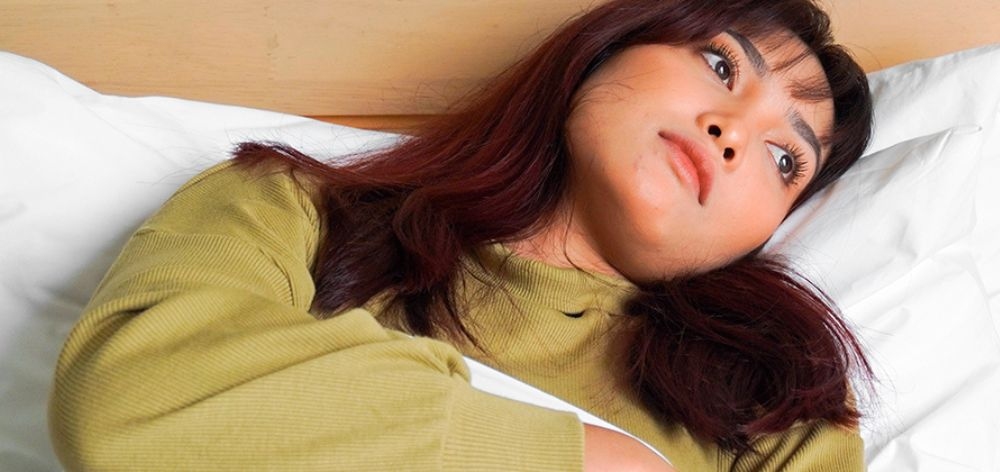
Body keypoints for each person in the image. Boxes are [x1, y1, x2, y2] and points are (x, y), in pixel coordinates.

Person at [48, 0, 874, 470]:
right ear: (604, 50)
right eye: (722, 67)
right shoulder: (286, 210)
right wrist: (582, 459)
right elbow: (124, 402)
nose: (734, 133)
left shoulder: (781, 403)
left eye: (784, 158)